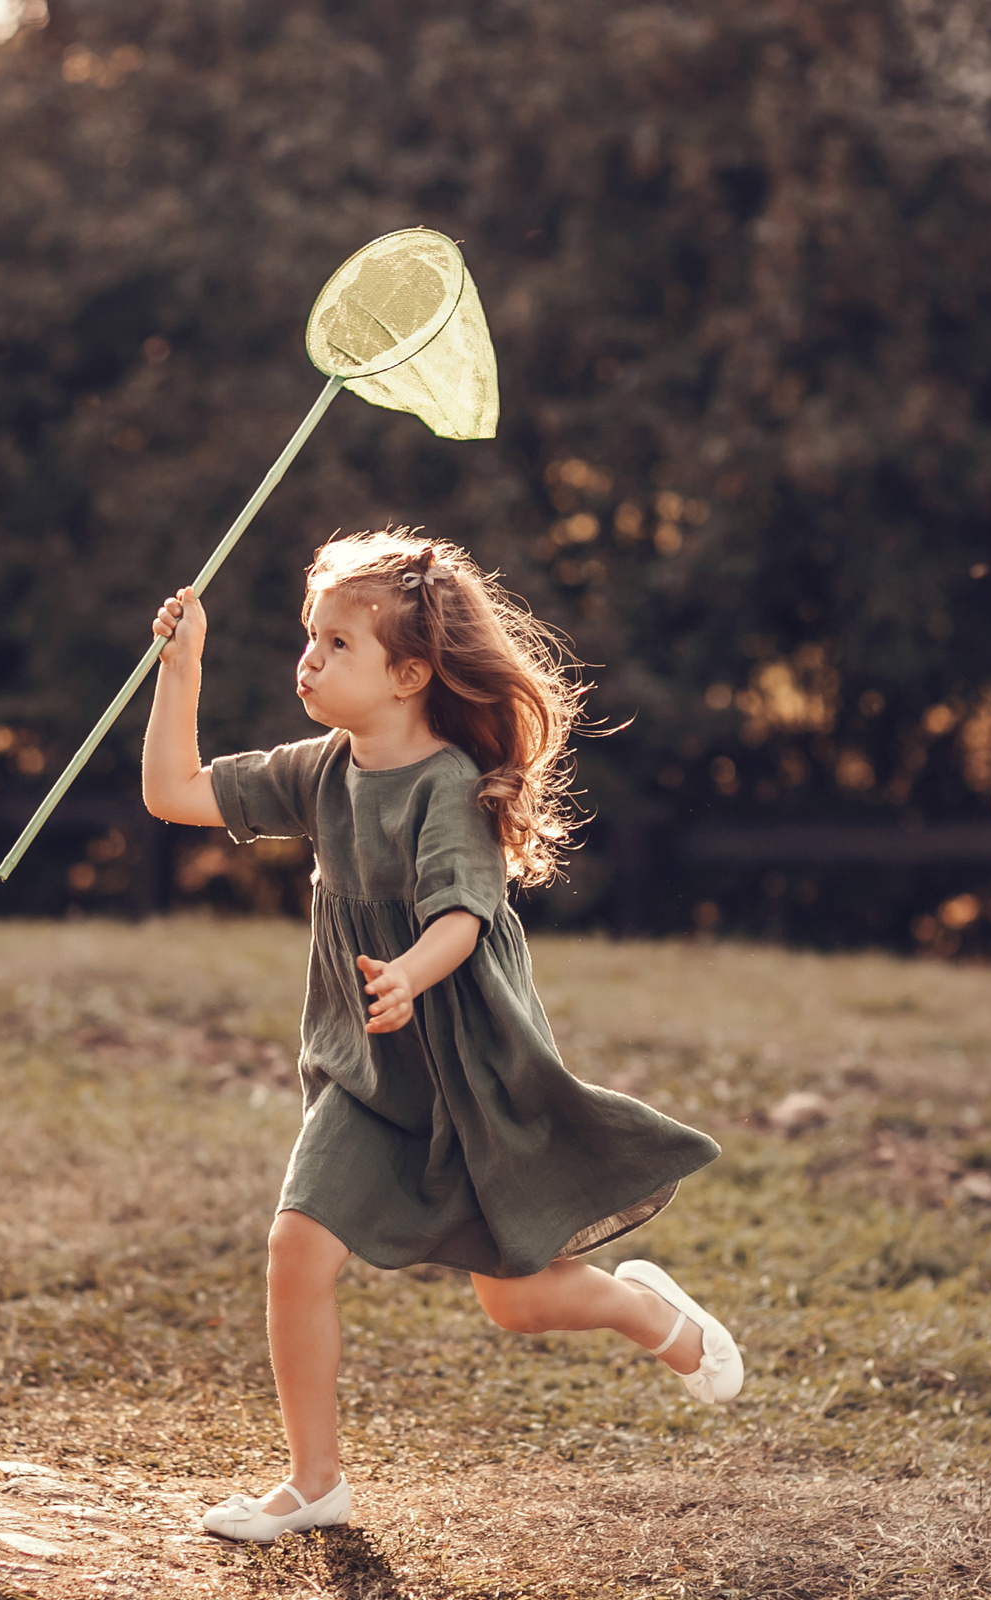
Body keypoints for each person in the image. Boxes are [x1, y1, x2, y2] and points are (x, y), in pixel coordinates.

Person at [140, 529, 743, 1544]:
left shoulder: (448, 785)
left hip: (465, 1075)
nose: (309, 660)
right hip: (365, 1072)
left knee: (515, 1304)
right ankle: (313, 1482)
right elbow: (172, 794)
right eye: (308, 638)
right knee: (296, 1244)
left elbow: (461, 917)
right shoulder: (318, 771)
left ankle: (645, 1311)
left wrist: (409, 974)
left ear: (410, 673)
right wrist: (180, 668)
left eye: (336, 645)